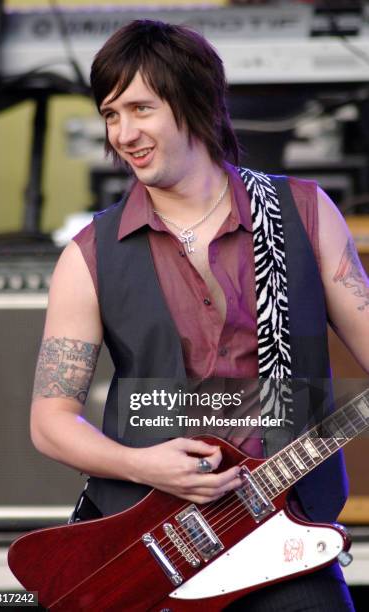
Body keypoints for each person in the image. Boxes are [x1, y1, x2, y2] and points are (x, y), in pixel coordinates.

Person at [30, 19, 368, 611]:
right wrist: (142, 463)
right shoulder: (88, 255)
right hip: (147, 543)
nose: (123, 133)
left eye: (140, 109)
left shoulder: (304, 215)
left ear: (198, 102)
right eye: (111, 114)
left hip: (283, 533)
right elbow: (50, 421)